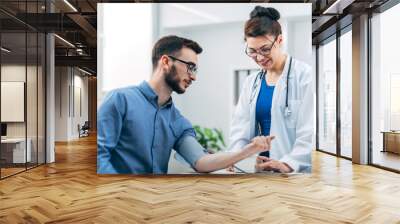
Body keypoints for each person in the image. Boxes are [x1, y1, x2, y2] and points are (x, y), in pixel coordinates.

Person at [97, 35, 274, 174]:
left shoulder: (177, 121)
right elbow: (99, 157)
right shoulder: (120, 100)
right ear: (166, 62)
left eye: (195, 70)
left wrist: (248, 151)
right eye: (190, 67)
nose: (194, 76)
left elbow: (201, 161)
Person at [228, 6, 314, 173]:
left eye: (265, 49)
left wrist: (288, 163)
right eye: (252, 51)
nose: (259, 57)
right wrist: (236, 158)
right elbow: (239, 131)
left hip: (290, 172)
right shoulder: (251, 82)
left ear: (280, 40)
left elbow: (309, 131)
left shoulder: (305, 76)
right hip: (258, 169)